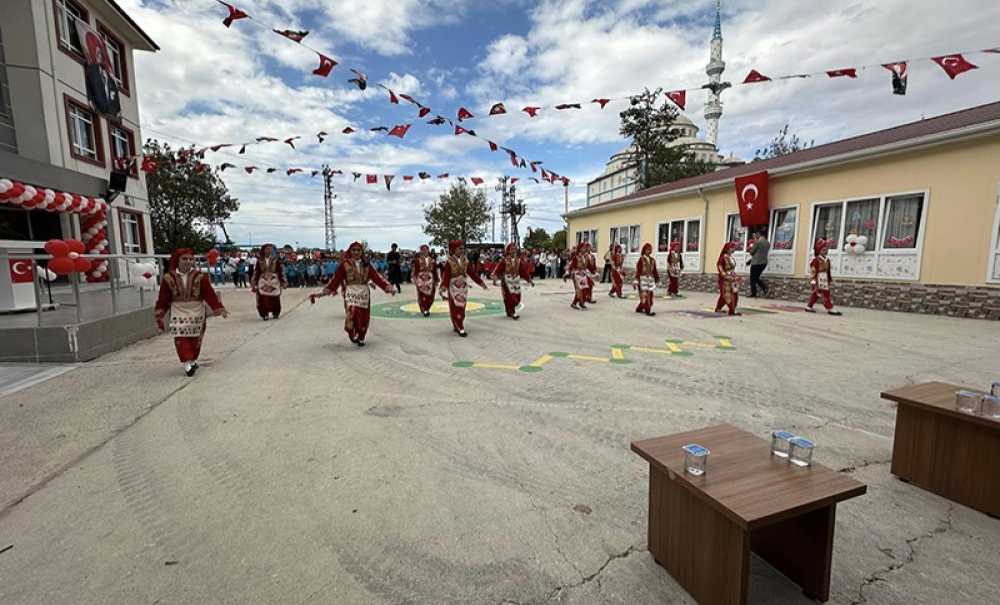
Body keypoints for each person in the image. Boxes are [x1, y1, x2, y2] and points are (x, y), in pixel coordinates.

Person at [155, 248, 229, 376]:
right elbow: (164, 297)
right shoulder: (168, 278)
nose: (188, 262)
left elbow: (209, 294)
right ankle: (186, 363)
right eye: (184, 259)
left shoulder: (200, 277)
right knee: (180, 336)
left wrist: (218, 307)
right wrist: (160, 312)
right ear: (177, 260)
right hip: (178, 310)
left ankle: (192, 359)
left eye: (190, 259)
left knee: (195, 338)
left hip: (197, 310)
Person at [310, 242, 394, 346]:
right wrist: (323, 292)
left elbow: (376, 277)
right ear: (350, 251)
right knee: (352, 313)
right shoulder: (344, 265)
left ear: (361, 252)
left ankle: (362, 336)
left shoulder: (367, 264)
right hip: (350, 292)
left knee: (364, 316)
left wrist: (387, 287)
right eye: (354, 250)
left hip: (363, 293)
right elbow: (335, 280)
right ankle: (353, 332)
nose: (356, 252)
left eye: (358, 250)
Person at [439, 239, 488, 336]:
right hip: (453, 287)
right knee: (455, 306)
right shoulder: (449, 261)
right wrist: (444, 286)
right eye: (459, 248)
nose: (462, 250)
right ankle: (459, 326)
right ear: (453, 249)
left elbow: (472, 273)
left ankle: (457, 323)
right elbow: (447, 275)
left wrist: (481, 283)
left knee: (462, 306)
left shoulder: (465, 260)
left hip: (463, 287)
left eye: (462, 248)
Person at [491, 242, 534, 320]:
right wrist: (494, 277)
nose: (514, 250)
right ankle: (513, 312)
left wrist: (529, 280)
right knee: (510, 297)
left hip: (516, 281)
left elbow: (523, 271)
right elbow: (497, 269)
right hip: (506, 281)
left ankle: (509, 311)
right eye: (512, 249)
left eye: (514, 249)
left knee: (517, 296)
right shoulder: (504, 261)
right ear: (508, 251)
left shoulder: (518, 261)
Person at [806, 240, 843, 316]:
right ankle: (829, 308)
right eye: (823, 250)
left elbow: (828, 271)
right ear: (819, 250)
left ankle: (809, 306)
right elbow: (813, 271)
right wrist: (812, 280)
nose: (826, 251)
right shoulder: (816, 260)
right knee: (825, 293)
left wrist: (829, 279)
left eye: (827, 249)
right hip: (818, 278)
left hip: (825, 278)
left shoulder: (827, 260)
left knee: (816, 293)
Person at [250, 243, 286, 320]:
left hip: (274, 281)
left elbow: (280, 271)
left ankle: (275, 313)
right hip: (263, 281)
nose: (269, 250)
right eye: (267, 249)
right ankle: (264, 314)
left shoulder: (276, 260)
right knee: (262, 298)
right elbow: (257, 272)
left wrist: (283, 281)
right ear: (263, 250)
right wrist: (254, 282)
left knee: (275, 297)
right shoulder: (260, 260)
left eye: (270, 249)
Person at [714, 242, 742, 316]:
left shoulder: (731, 257)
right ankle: (732, 310)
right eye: (732, 248)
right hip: (725, 280)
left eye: (734, 248)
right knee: (727, 294)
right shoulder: (722, 258)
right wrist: (726, 276)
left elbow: (732, 270)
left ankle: (719, 308)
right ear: (727, 249)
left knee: (734, 294)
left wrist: (736, 277)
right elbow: (720, 268)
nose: (733, 249)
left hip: (732, 278)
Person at [411, 244, 439, 317]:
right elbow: (415, 271)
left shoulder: (432, 260)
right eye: (423, 250)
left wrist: (436, 279)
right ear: (421, 251)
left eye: (426, 249)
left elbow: (435, 271)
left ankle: (428, 308)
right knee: (422, 294)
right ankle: (424, 310)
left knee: (431, 295)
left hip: (430, 279)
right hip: (421, 279)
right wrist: (415, 279)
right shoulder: (417, 261)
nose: (425, 251)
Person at [633, 242, 659, 316]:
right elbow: (638, 270)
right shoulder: (641, 260)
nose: (649, 251)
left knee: (650, 295)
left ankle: (639, 308)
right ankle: (648, 311)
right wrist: (636, 280)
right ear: (644, 250)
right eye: (647, 249)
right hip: (642, 280)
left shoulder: (652, 260)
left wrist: (657, 279)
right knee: (645, 296)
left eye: (650, 249)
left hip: (650, 280)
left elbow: (654, 271)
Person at [564, 245, 591, 310]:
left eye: (584, 248)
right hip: (576, 275)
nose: (584, 249)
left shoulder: (584, 257)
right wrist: (566, 274)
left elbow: (586, 266)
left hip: (583, 274)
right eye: (583, 248)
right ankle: (574, 303)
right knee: (579, 290)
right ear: (580, 249)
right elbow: (571, 266)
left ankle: (581, 302)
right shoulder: (575, 257)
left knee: (585, 289)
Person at [748, 230, 771, 297]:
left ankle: (754, 293)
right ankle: (765, 289)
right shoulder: (767, 243)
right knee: (756, 277)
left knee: (752, 278)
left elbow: (752, 252)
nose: (755, 236)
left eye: (756, 234)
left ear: (758, 234)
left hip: (756, 263)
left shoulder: (757, 242)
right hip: (764, 262)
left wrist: (750, 248)